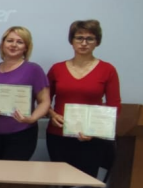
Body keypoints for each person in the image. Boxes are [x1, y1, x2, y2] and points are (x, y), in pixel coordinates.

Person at [46, 20, 121, 177]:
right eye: (79, 38)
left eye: (90, 39)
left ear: (97, 42)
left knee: (85, 183)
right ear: (71, 41)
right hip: (59, 135)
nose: (84, 43)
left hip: (91, 138)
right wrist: (52, 115)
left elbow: (114, 105)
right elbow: (43, 101)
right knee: (62, 181)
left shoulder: (108, 70)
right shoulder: (57, 69)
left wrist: (96, 130)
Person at [0, 26, 50, 161]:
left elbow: (44, 101)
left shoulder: (34, 69)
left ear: (26, 47)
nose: (14, 45)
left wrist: (32, 118)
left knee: (13, 173)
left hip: (21, 133)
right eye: (10, 41)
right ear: (2, 44)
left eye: (19, 42)